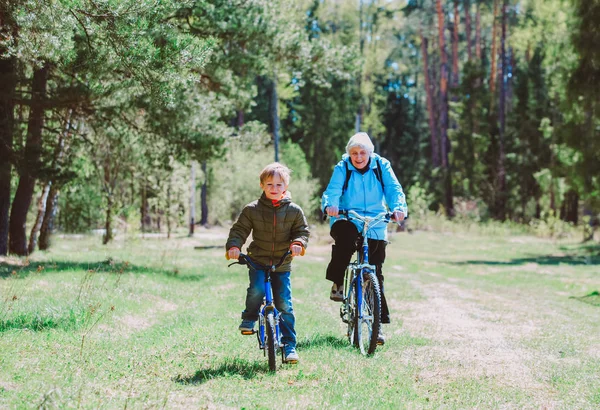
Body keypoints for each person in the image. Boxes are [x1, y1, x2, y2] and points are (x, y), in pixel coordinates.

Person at [321, 132, 407, 345]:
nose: (358, 157)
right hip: (347, 216)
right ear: (348, 154)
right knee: (347, 239)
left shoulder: (381, 166)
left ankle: (376, 326)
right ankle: (337, 283)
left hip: (376, 219)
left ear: (370, 153)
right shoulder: (343, 167)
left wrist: (398, 208)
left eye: (362, 153)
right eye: (354, 153)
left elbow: (393, 189)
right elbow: (332, 190)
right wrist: (330, 205)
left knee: (375, 272)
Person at [226, 162, 309, 364]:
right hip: (258, 259)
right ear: (262, 185)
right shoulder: (252, 210)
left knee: (284, 304)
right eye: (269, 184)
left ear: (286, 187)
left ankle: (289, 345)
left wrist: (298, 243)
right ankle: (249, 317)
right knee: (256, 289)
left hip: (282, 261)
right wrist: (234, 246)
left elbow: (302, 231)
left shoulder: (294, 211)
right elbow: (239, 230)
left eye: (279, 185)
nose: (274, 188)